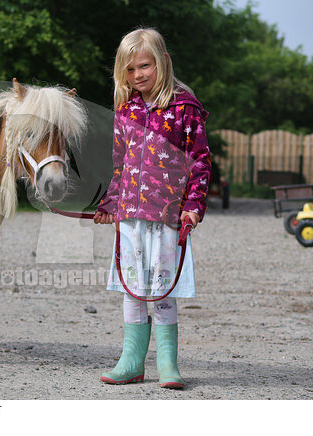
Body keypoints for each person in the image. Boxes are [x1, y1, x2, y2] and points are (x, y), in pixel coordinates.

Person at [94, 27, 211, 389]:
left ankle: (167, 364)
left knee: (161, 290)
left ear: (163, 62)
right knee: (133, 288)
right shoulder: (126, 109)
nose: (137, 75)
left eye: (144, 66)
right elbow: (118, 163)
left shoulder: (184, 108)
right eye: (129, 70)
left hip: (167, 217)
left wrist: (193, 205)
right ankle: (131, 361)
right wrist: (109, 202)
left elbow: (200, 159)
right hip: (130, 217)